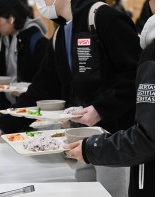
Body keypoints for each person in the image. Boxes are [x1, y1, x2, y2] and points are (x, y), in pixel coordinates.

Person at [0, 0, 141, 196]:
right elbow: (42, 88)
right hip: (79, 138)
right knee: (85, 191)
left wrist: (100, 109)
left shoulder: (104, 18)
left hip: (116, 139)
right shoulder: (60, 35)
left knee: (112, 193)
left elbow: (135, 74)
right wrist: (0, 128)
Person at [64, 0, 155, 196]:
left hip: (117, 138)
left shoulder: (108, 19)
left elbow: (148, 138)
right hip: (96, 137)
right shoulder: (65, 30)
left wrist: (101, 110)